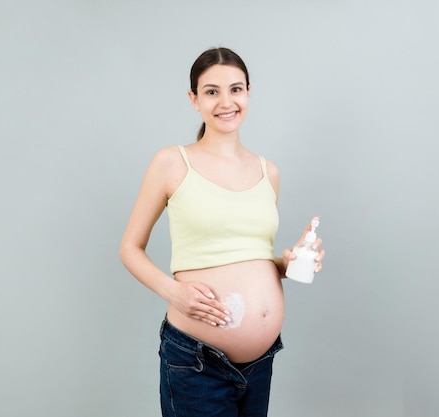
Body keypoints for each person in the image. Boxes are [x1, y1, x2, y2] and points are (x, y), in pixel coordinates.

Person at [119, 47, 325, 417]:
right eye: (212, 91)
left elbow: (246, 254)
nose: (226, 101)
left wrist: (286, 262)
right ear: (194, 99)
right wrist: (174, 292)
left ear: (248, 93)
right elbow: (130, 248)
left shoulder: (268, 171)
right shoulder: (171, 162)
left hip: (262, 361)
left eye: (236, 89)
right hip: (198, 361)